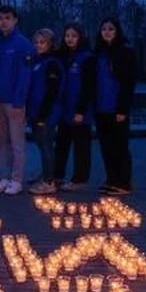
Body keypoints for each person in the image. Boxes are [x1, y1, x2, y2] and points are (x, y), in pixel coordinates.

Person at [0, 5, 34, 196]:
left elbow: (25, 74)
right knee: (1, 142)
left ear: (15, 20)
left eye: (7, 17)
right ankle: (5, 177)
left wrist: (19, 102)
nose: (3, 21)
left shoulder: (23, 44)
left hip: (14, 102)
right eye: (0, 18)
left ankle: (17, 180)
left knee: (17, 143)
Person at [92, 17, 136, 195]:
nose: (107, 32)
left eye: (111, 29)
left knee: (120, 146)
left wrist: (122, 108)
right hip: (100, 107)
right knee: (106, 146)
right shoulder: (99, 53)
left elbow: (128, 83)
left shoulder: (125, 52)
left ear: (117, 31)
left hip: (116, 108)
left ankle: (124, 183)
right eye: (104, 29)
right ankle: (112, 180)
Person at [55, 23, 94, 191]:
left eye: (74, 36)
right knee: (61, 144)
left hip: (80, 110)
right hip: (64, 110)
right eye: (67, 36)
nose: (70, 39)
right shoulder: (62, 57)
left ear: (80, 37)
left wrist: (81, 111)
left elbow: (88, 86)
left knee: (81, 146)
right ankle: (57, 176)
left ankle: (79, 180)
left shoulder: (86, 58)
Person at [26, 28, 64, 194]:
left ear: (50, 43)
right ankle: (46, 174)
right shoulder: (37, 61)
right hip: (35, 111)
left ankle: (49, 181)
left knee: (47, 145)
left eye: (42, 42)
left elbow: (52, 91)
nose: (39, 45)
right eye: (36, 42)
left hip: (47, 112)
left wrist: (43, 114)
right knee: (42, 145)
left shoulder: (52, 63)